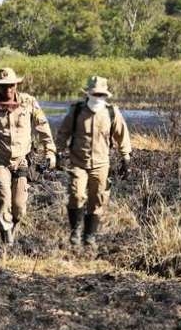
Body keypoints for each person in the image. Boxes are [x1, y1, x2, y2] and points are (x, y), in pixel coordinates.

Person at [0, 67, 56, 247]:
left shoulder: (29, 102)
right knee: (3, 196)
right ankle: (6, 238)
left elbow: (42, 126)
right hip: (0, 160)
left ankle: (11, 227)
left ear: (16, 85)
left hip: (22, 160)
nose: (8, 90)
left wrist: (50, 151)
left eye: (10, 86)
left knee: (19, 205)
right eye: (3, 87)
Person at [56, 76, 132, 249]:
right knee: (76, 195)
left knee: (97, 199)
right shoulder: (76, 111)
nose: (98, 96)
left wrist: (125, 158)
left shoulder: (112, 113)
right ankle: (75, 233)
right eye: (95, 93)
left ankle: (89, 237)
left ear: (105, 95)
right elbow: (63, 133)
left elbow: (122, 136)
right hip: (78, 162)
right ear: (88, 93)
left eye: (101, 94)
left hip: (101, 164)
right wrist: (59, 152)